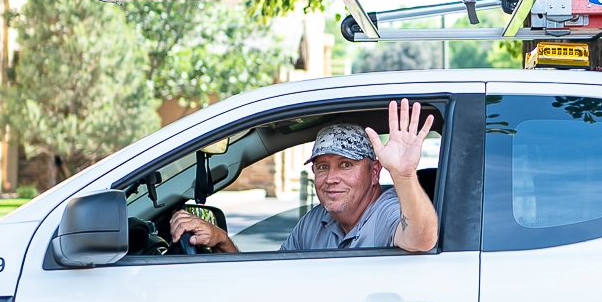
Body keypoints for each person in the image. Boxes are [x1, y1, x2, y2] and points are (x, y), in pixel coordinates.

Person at [167, 98, 439, 255]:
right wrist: (222, 241)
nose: (331, 178)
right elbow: (273, 284)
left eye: (346, 165)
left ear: (374, 172)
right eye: (322, 166)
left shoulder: (391, 211)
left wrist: (403, 175)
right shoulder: (316, 221)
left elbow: (421, 239)